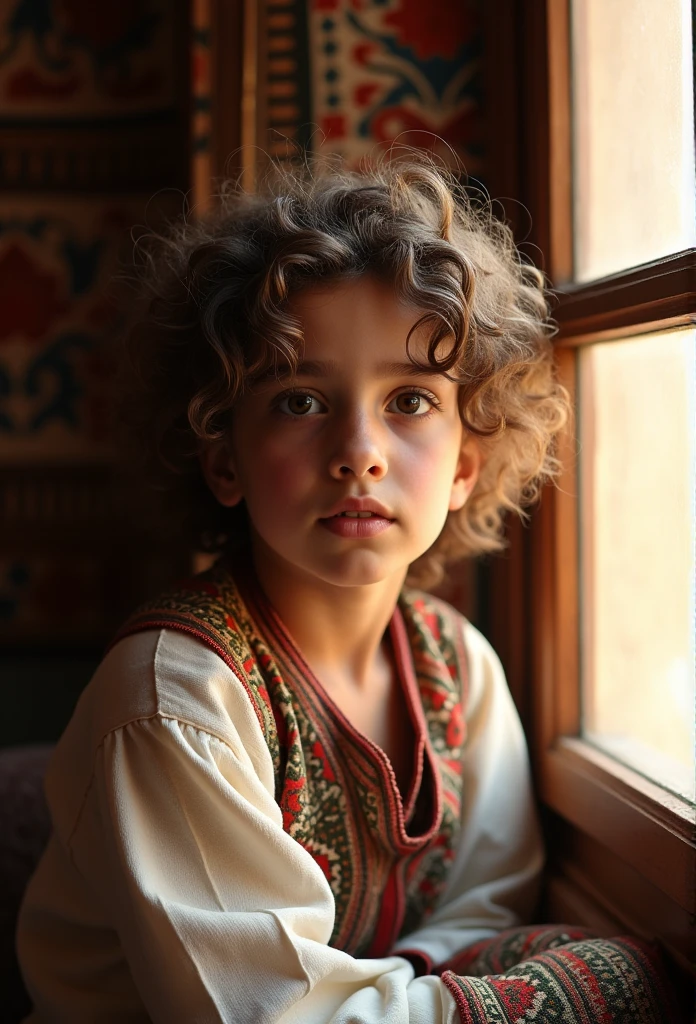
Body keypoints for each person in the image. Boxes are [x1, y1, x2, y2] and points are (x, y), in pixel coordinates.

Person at [16, 158, 682, 1022]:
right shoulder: (174, 701)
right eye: (299, 401)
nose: (359, 450)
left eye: (409, 400)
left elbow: (488, 909)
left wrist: (422, 982)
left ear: (464, 466)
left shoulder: (458, 669)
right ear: (224, 457)